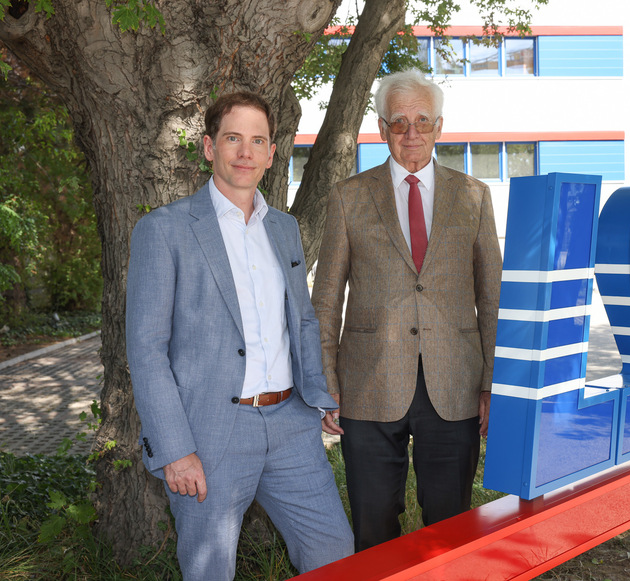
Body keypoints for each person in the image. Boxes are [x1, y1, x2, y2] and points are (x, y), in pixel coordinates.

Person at [126, 91, 353, 580]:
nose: (245, 152)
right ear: (210, 148)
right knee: (210, 572)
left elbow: (302, 320)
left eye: (258, 141)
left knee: (335, 553)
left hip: (292, 424)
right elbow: (146, 350)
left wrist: (320, 392)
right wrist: (175, 449)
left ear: (273, 154)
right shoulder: (163, 230)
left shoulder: (285, 229)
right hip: (209, 435)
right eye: (233, 138)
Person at [311, 69, 502, 552]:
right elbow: (327, 299)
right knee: (373, 529)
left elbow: (492, 296)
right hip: (368, 387)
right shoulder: (348, 198)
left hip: (454, 385)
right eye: (399, 122)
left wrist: (490, 383)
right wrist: (325, 384)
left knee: (450, 526)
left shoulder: (474, 196)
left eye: (422, 121)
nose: (411, 133)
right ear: (381, 128)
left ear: (439, 126)